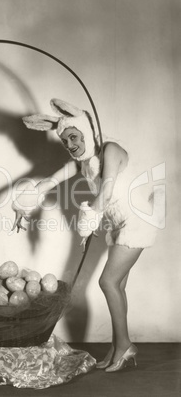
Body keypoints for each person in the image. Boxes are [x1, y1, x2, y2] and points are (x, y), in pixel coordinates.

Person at [11, 98, 158, 373]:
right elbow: (49, 181)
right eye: (66, 141)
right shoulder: (85, 163)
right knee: (118, 287)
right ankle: (118, 346)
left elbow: (104, 193)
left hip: (137, 221)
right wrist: (23, 204)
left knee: (107, 283)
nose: (71, 145)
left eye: (74, 137)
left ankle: (125, 345)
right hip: (118, 225)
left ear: (88, 132)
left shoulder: (110, 151)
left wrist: (89, 220)